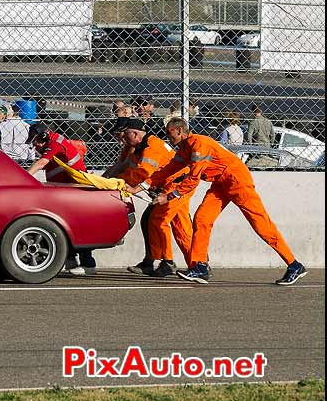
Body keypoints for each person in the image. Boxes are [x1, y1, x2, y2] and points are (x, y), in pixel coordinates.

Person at [127, 117, 307, 286]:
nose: (166, 136)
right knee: (202, 219)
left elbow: (193, 179)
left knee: (261, 225)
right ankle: (200, 267)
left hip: (237, 182)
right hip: (221, 184)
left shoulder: (199, 144)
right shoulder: (184, 149)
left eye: (169, 132)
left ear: (180, 130)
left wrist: (169, 196)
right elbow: (166, 171)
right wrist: (138, 187)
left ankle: (294, 264)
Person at [112, 117, 193, 277]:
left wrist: (126, 185)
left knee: (160, 221)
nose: (120, 138)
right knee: (172, 225)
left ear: (134, 134)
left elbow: (144, 173)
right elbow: (120, 167)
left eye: (123, 134)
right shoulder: (133, 147)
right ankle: (193, 263)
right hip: (165, 188)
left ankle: (170, 262)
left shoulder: (152, 146)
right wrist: (107, 181)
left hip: (175, 187)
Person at [25, 121, 96, 275]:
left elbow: (41, 163)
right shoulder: (51, 145)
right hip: (64, 191)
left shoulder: (55, 143)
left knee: (79, 226)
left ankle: (88, 264)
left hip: (75, 190)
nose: (35, 146)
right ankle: (70, 261)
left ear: (43, 136)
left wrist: (22, 178)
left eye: (35, 142)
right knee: (63, 225)